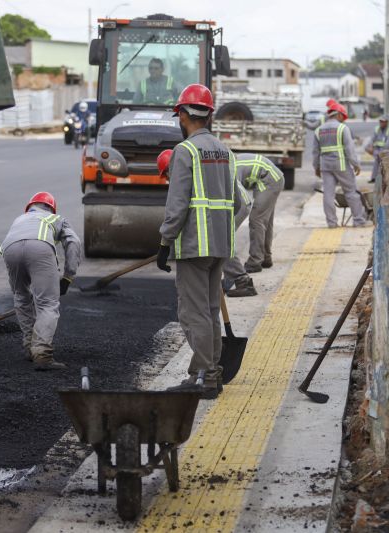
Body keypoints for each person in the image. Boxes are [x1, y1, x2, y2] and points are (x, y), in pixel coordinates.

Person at [156, 84, 245, 399]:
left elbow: (177, 203)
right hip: (221, 246)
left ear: (183, 115)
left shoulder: (186, 152)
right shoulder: (224, 151)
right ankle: (213, 373)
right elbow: (237, 202)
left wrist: (165, 241)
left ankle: (203, 378)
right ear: (208, 114)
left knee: (193, 313)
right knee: (209, 311)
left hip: (194, 246)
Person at [0, 192, 82, 370]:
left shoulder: (19, 219)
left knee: (21, 297)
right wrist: (68, 276)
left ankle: (30, 348)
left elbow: (10, 244)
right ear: (51, 208)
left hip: (9, 249)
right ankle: (42, 354)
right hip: (40, 248)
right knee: (47, 304)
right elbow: (73, 242)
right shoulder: (55, 218)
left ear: (29, 207)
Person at [158, 150, 254, 298]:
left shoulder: (187, 173)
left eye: (165, 173)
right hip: (235, 202)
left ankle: (242, 280)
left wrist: (167, 243)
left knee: (221, 243)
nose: (166, 178)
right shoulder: (192, 169)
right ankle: (227, 277)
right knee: (219, 242)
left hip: (236, 203)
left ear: (172, 167)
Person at [312, 102, 368, 228]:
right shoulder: (343, 128)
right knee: (351, 192)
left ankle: (331, 223)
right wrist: (356, 164)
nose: (343, 119)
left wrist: (316, 167)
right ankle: (358, 221)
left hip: (326, 167)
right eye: (343, 116)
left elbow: (315, 152)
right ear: (337, 115)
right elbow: (349, 149)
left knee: (328, 194)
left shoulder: (318, 130)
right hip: (341, 165)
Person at [234, 154, 285, 274]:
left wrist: (232, 227)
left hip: (270, 180)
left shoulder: (230, 171)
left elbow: (243, 202)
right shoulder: (227, 164)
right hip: (271, 178)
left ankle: (255, 261)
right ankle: (266, 257)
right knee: (265, 221)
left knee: (256, 220)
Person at [366, 117, 389, 183]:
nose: (381, 123)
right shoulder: (377, 129)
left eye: (383, 121)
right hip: (377, 149)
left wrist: (381, 152)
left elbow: (388, 143)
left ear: (386, 122)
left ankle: (376, 178)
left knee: (379, 161)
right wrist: (371, 146)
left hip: (385, 150)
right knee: (376, 159)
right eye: (380, 121)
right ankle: (374, 178)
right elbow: (372, 139)